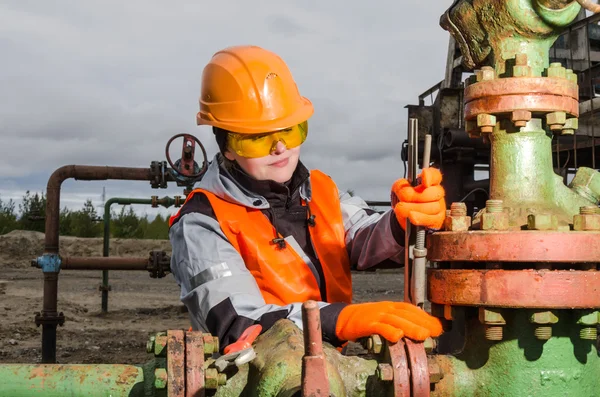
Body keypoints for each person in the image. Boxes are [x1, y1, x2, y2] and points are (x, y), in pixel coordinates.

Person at [169, 45, 446, 350]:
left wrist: (402, 220)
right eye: (258, 138)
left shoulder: (320, 188)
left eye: (289, 131)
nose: (279, 148)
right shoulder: (201, 221)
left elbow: (360, 238)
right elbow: (237, 322)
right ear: (227, 147)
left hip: (327, 362)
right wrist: (338, 321)